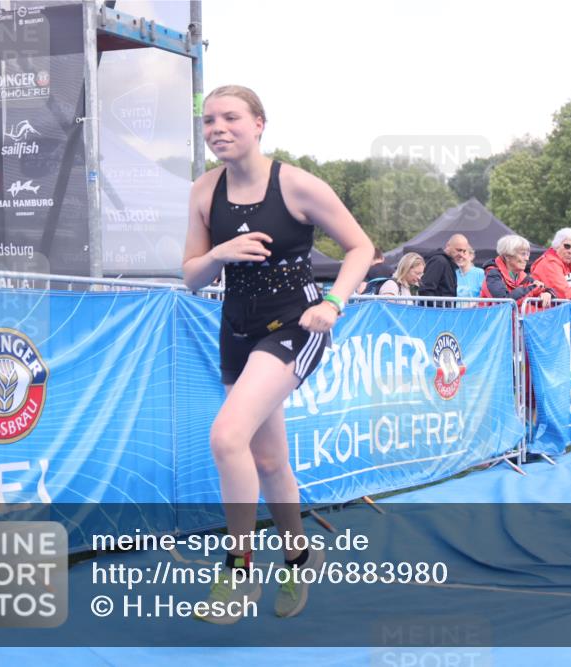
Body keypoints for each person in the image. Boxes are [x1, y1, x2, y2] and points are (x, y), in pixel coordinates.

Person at [182, 85, 374, 623]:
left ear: (260, 123)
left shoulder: (295, 184)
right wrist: (218, 252)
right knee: (267, 460)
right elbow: (192, 279)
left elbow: (361, 247)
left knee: (226, 436)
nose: (217, 128)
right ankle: (297, 553)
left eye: (230, 118)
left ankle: (239, 569)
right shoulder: (203, 192)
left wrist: (334, 303)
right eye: (208, 120)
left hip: (295, 324)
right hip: (236, 330)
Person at [479, 235, 553, 308]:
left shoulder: (522, 277)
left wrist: (547, 293)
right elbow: (504, 301)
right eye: (523, 254)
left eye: (528, 254)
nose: (527, 259)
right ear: (508, 256)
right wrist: (534, 288)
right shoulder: (492, 275)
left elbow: (545, 290)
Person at [419, 234, 470, 303]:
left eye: (464, 251)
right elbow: (426, 290)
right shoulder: (439, 261)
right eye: (458, 250)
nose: (461, 254)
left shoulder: (447, 263)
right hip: (437, 311)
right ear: (448, 245)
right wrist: (440, 308)